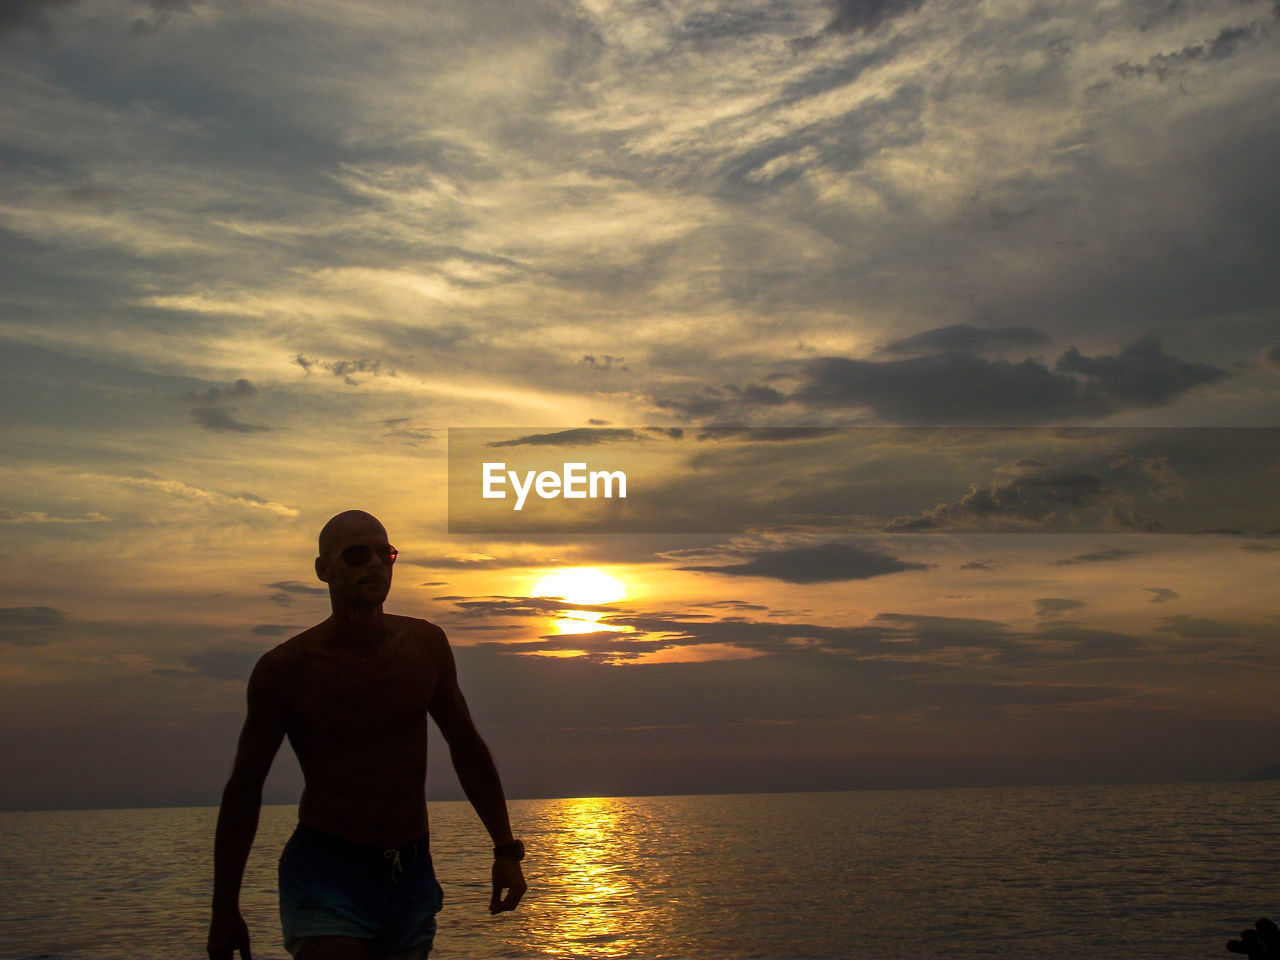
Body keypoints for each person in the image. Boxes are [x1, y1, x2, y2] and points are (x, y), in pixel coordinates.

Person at [207, 510, 526, 960]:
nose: (375, 564)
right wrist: (224, 909)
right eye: (357, 556)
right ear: (324, 569)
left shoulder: (424, 646)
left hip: (410, 872)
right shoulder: (287, 669)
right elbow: (245, 787)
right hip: (325, 871)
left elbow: (466, 745)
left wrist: (505, 849)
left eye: (385, 553)